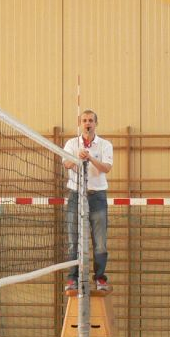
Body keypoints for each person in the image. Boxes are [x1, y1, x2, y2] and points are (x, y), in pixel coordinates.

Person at [62, 109, 113, 293]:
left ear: (95, 123)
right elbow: (67, 164)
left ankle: (100, 278)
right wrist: (78, 157)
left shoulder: (105, 145)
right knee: (73, 240)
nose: (87, 123)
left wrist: (90, 158)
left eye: (91, 120)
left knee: (100, 241)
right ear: (80, 123)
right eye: (84, 120)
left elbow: (106, 168)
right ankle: (72, 279)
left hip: (97, 196)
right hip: (76, 195)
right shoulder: (71, 144)